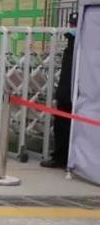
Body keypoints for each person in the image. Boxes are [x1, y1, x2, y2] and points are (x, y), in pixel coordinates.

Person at [42, 15, 77, 169]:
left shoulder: (77, 45)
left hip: (70, 94)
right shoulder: (72, 43)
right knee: (62, 126)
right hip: (68, 93)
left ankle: (63, 158)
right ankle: (62, 158)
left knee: (64, 127)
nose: (72, 27)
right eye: (72, 23)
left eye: (74, 24)